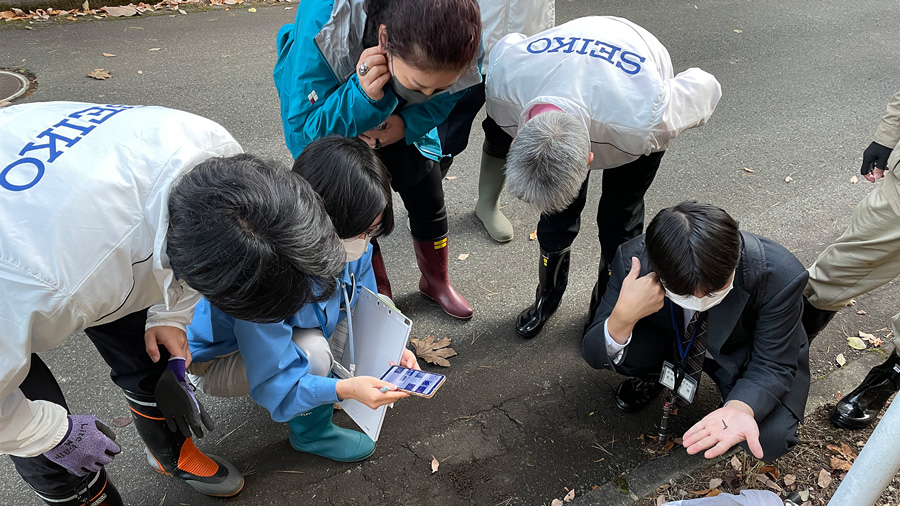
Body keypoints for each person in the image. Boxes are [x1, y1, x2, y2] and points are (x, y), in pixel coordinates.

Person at [0, 101, 345, 505]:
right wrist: (47, 431)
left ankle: (170, 453)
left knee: (151, 353)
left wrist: (170, 313)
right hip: (21, 270)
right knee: (51, 444)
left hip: (68, 215)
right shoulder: (55, 284)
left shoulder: (220, 158)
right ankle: (78, 493)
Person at [482, 16, 722, 338]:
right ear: (516, 138)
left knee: (619, 220)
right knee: (556, 220)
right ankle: (548, 296)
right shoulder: (502, 84)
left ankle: (605, 307)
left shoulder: (645, 118)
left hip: (633, 77)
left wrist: (663, 91)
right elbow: (507, 44)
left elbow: (704, 86)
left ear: (588, 162)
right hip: (569, 55)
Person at [185, 136, 418, 463]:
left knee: (368, 316)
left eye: (372, 231)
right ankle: (312, 433)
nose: (365, 246)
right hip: (219, 358)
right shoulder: (263, 267)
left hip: (283, 330)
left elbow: (361, 304)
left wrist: (392, 348)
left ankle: (319, 390)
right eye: (359, 232)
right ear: (319, 217)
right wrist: (344, 390)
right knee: (313, 354)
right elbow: (276, 381)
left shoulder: (347, 243)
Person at [273, 0, 483, 319]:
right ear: (383, 39)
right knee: (358, 214)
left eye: (439, 85)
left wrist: (407, 124)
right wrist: (362, 96)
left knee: (427, 195)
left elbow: (452, 93)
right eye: (418, 86)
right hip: (341, 125)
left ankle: (435, 280)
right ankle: (376, 295)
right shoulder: (323, 22)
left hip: (403, 124)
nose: (430, 93)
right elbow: (303, 133)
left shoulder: (460, 29)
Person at [582, 202, 809, 462]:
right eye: (683, 294)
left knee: (771, 437)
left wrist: (740, 408)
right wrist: (623, 317)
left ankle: (729, 392)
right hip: (670, 339)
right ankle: (656, 375)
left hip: (742, 350)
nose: (699, 300)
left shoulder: (780, 274)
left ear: (735, 259)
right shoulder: (633, 260)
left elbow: (772, 362)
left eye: (713, 292)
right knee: (619, 345)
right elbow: (591, 351)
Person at [802, 89, 900, 430]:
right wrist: (886, 139)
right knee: (830, 273)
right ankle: (784, 355)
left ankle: (886, 379)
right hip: (898, 198)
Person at [435, 0, 555, 242]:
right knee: (445, 130)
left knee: (506, 130)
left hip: (526, 43)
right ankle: (428, 199)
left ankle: (488, 204)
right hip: (464, 38)